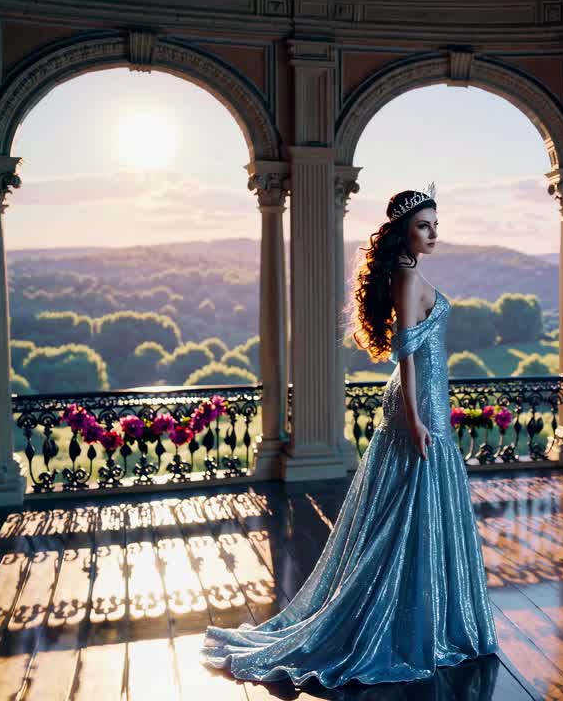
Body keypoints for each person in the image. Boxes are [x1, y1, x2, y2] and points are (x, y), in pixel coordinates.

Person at [200, 187, 499, 687]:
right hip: (418, 402)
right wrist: (416, 417)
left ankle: (433, 617)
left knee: (414, 509)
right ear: (402, 231)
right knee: (405, 512)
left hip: (429, 397)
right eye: (424, 225)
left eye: (435, 224)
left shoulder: (413, 274)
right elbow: (405, 354)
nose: (433, 233)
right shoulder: (406, 279)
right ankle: (403, 622)